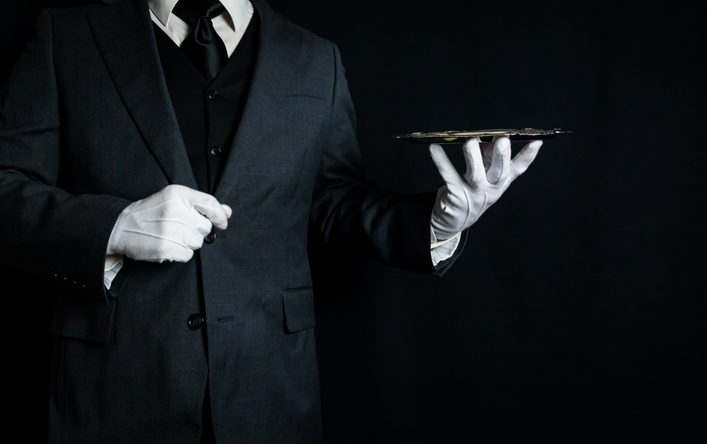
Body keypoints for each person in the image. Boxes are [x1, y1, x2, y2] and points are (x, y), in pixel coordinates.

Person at [0, 0, 542, 442]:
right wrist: (113, 226)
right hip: (110, 395)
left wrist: (441, 223)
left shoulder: (315, 59)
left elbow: (332, 201)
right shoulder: (65, 37)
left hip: (270, 394)